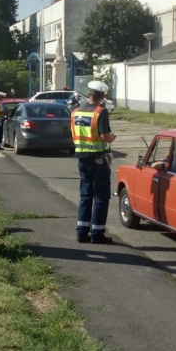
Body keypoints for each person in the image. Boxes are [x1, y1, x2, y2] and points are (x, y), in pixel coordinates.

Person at [71, 81, 116, 244]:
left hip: (82, 158)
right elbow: (105, 136)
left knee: (85, 195)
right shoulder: (100, 112)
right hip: (98, 159)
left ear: (89, 94)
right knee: (101, 196)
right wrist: (112, 137)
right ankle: (97, 234)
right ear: (102, 96)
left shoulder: (75, 112)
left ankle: (81, 233)